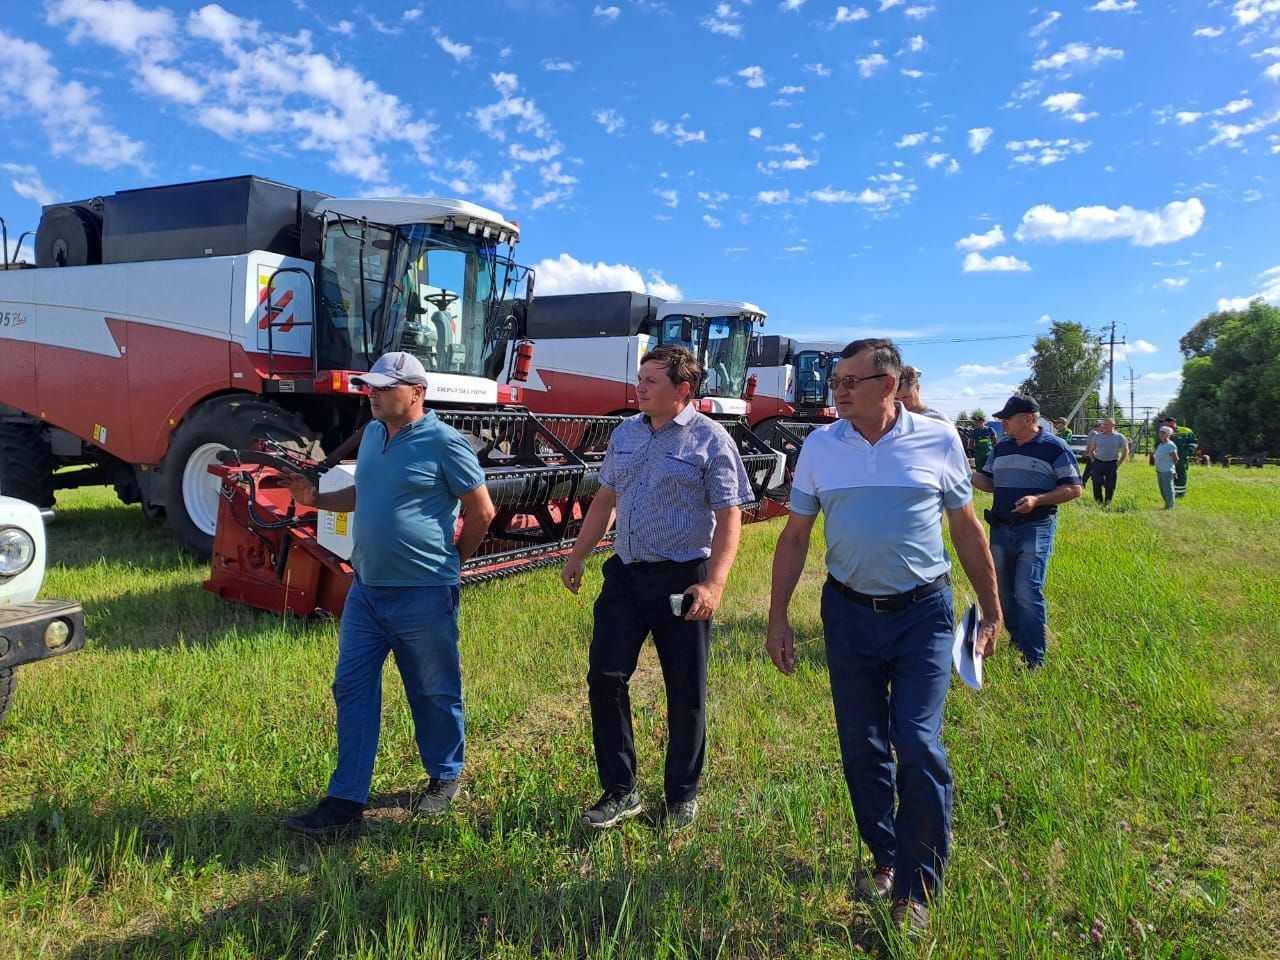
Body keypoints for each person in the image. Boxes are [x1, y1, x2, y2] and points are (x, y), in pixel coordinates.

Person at [766, 339, 1001, 936]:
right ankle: (886, 858)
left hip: (923, 613)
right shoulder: (820, 445)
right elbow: (795, 538)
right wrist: (777, 616)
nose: (837, 389)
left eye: (850, 380)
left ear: (888, 385)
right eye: (836, 380)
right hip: (846, 614)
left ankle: (918, 887)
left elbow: (968, 531)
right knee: (863, 745)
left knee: (918, 742)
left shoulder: (937, 439)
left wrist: (993, 610)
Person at [282, 351, 497, 837]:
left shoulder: (445, 443)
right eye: (371, 386)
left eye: (383, 386)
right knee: (352, 688)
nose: (372, 393)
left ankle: (444, 775)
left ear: (416, 393)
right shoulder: (375, 434)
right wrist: (315, 499)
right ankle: (345, 800)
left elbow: (481, 511)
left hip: (423, 592)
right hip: (367, 590)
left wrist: (452, 562)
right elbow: (363, 494)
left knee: (432, 688)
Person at [562, 344, 753, 831]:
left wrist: (714, 584)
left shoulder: (711, 441)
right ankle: (621, 790)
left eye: (651, 381)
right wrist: (579, 554)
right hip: (625, 574)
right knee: (605, 678)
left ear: (682, 390)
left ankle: (682, 795)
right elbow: (606, 497)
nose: (640, 388)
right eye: (640, 379)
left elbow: (730, 517)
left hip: (683, 577)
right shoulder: (626, 433)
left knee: (685, 690)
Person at [973, 394, 1082, 669]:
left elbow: (1074, 488)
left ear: (1028, 419)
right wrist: (961, 471)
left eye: (1007, 419)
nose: (1003, 423)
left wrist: (1037, 500)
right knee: (1004, 591)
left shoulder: (1055, 447)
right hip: (1000, 528)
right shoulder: (1002, 448)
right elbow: (988, 483)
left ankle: (1035, 658)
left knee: (1026, 589)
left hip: (1035, 528)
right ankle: (1020, 639)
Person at [1085, 418, 1128, 505]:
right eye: (1103, 424)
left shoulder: (1119, 437)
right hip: (1098, 462)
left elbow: (1125, 450)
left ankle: (1108, 502)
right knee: (1096, 481)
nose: (1104, 426)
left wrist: (1119, 463)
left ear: (1113, 425)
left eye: (1107, 425)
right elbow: (1091, 449)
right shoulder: (1097, 436)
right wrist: (1093, 460)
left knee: (1110, 484)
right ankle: (1098, 501)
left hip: (1112, 463)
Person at [1162, 417, 1198, 498]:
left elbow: (1194, 442)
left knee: (1181, 475)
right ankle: (1170, 493)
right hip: (1167, 458)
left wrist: (1188, 451)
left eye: (1166, 424)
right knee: (1168, 474)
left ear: (1172, 423)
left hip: (1181, 458)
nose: (1164, 426)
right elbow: (1159, 442)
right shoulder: (1164, 431)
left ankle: (1180, 494)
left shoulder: (1186, 431)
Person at [1153, 425, 1179, 509]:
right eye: (1160, 433)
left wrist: (1172, 468)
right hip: (1160, 470)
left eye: (1163, 433)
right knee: (1163, 490)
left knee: (1168, 489)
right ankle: (1167, 504)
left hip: (1167, 470)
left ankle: (1170, 506)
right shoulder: (1160, 445)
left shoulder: (1170, 445)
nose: (1161, 435)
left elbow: (1176, 458)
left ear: (1168, 435)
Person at [1080, 419, 1103, 486]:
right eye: (1102, 425)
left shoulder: (1093, 432)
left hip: (1091, 453)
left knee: (1090, 469)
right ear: (1099, 426)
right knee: (1091, 469)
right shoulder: (1094, 433)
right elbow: (1091, 444)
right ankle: (1083, 482)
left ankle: (1083, 482)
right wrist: (1087, 452)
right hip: (1092, 454)